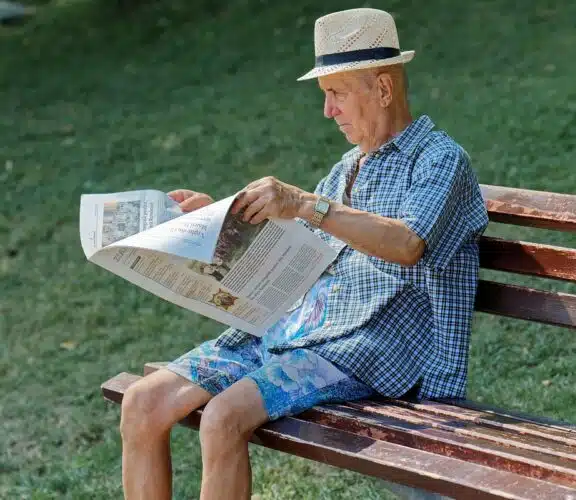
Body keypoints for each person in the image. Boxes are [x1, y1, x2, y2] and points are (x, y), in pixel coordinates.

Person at [118, 8, 488, 500]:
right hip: (298, 328)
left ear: (382, 89)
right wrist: (213, 224)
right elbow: (298, 250)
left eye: (336, 94)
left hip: (369, 347)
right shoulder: (348, 168)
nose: (328, 111)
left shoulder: (441, 160)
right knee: (143, 403)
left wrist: (305, 204)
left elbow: (407, 243)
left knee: (224, 418)